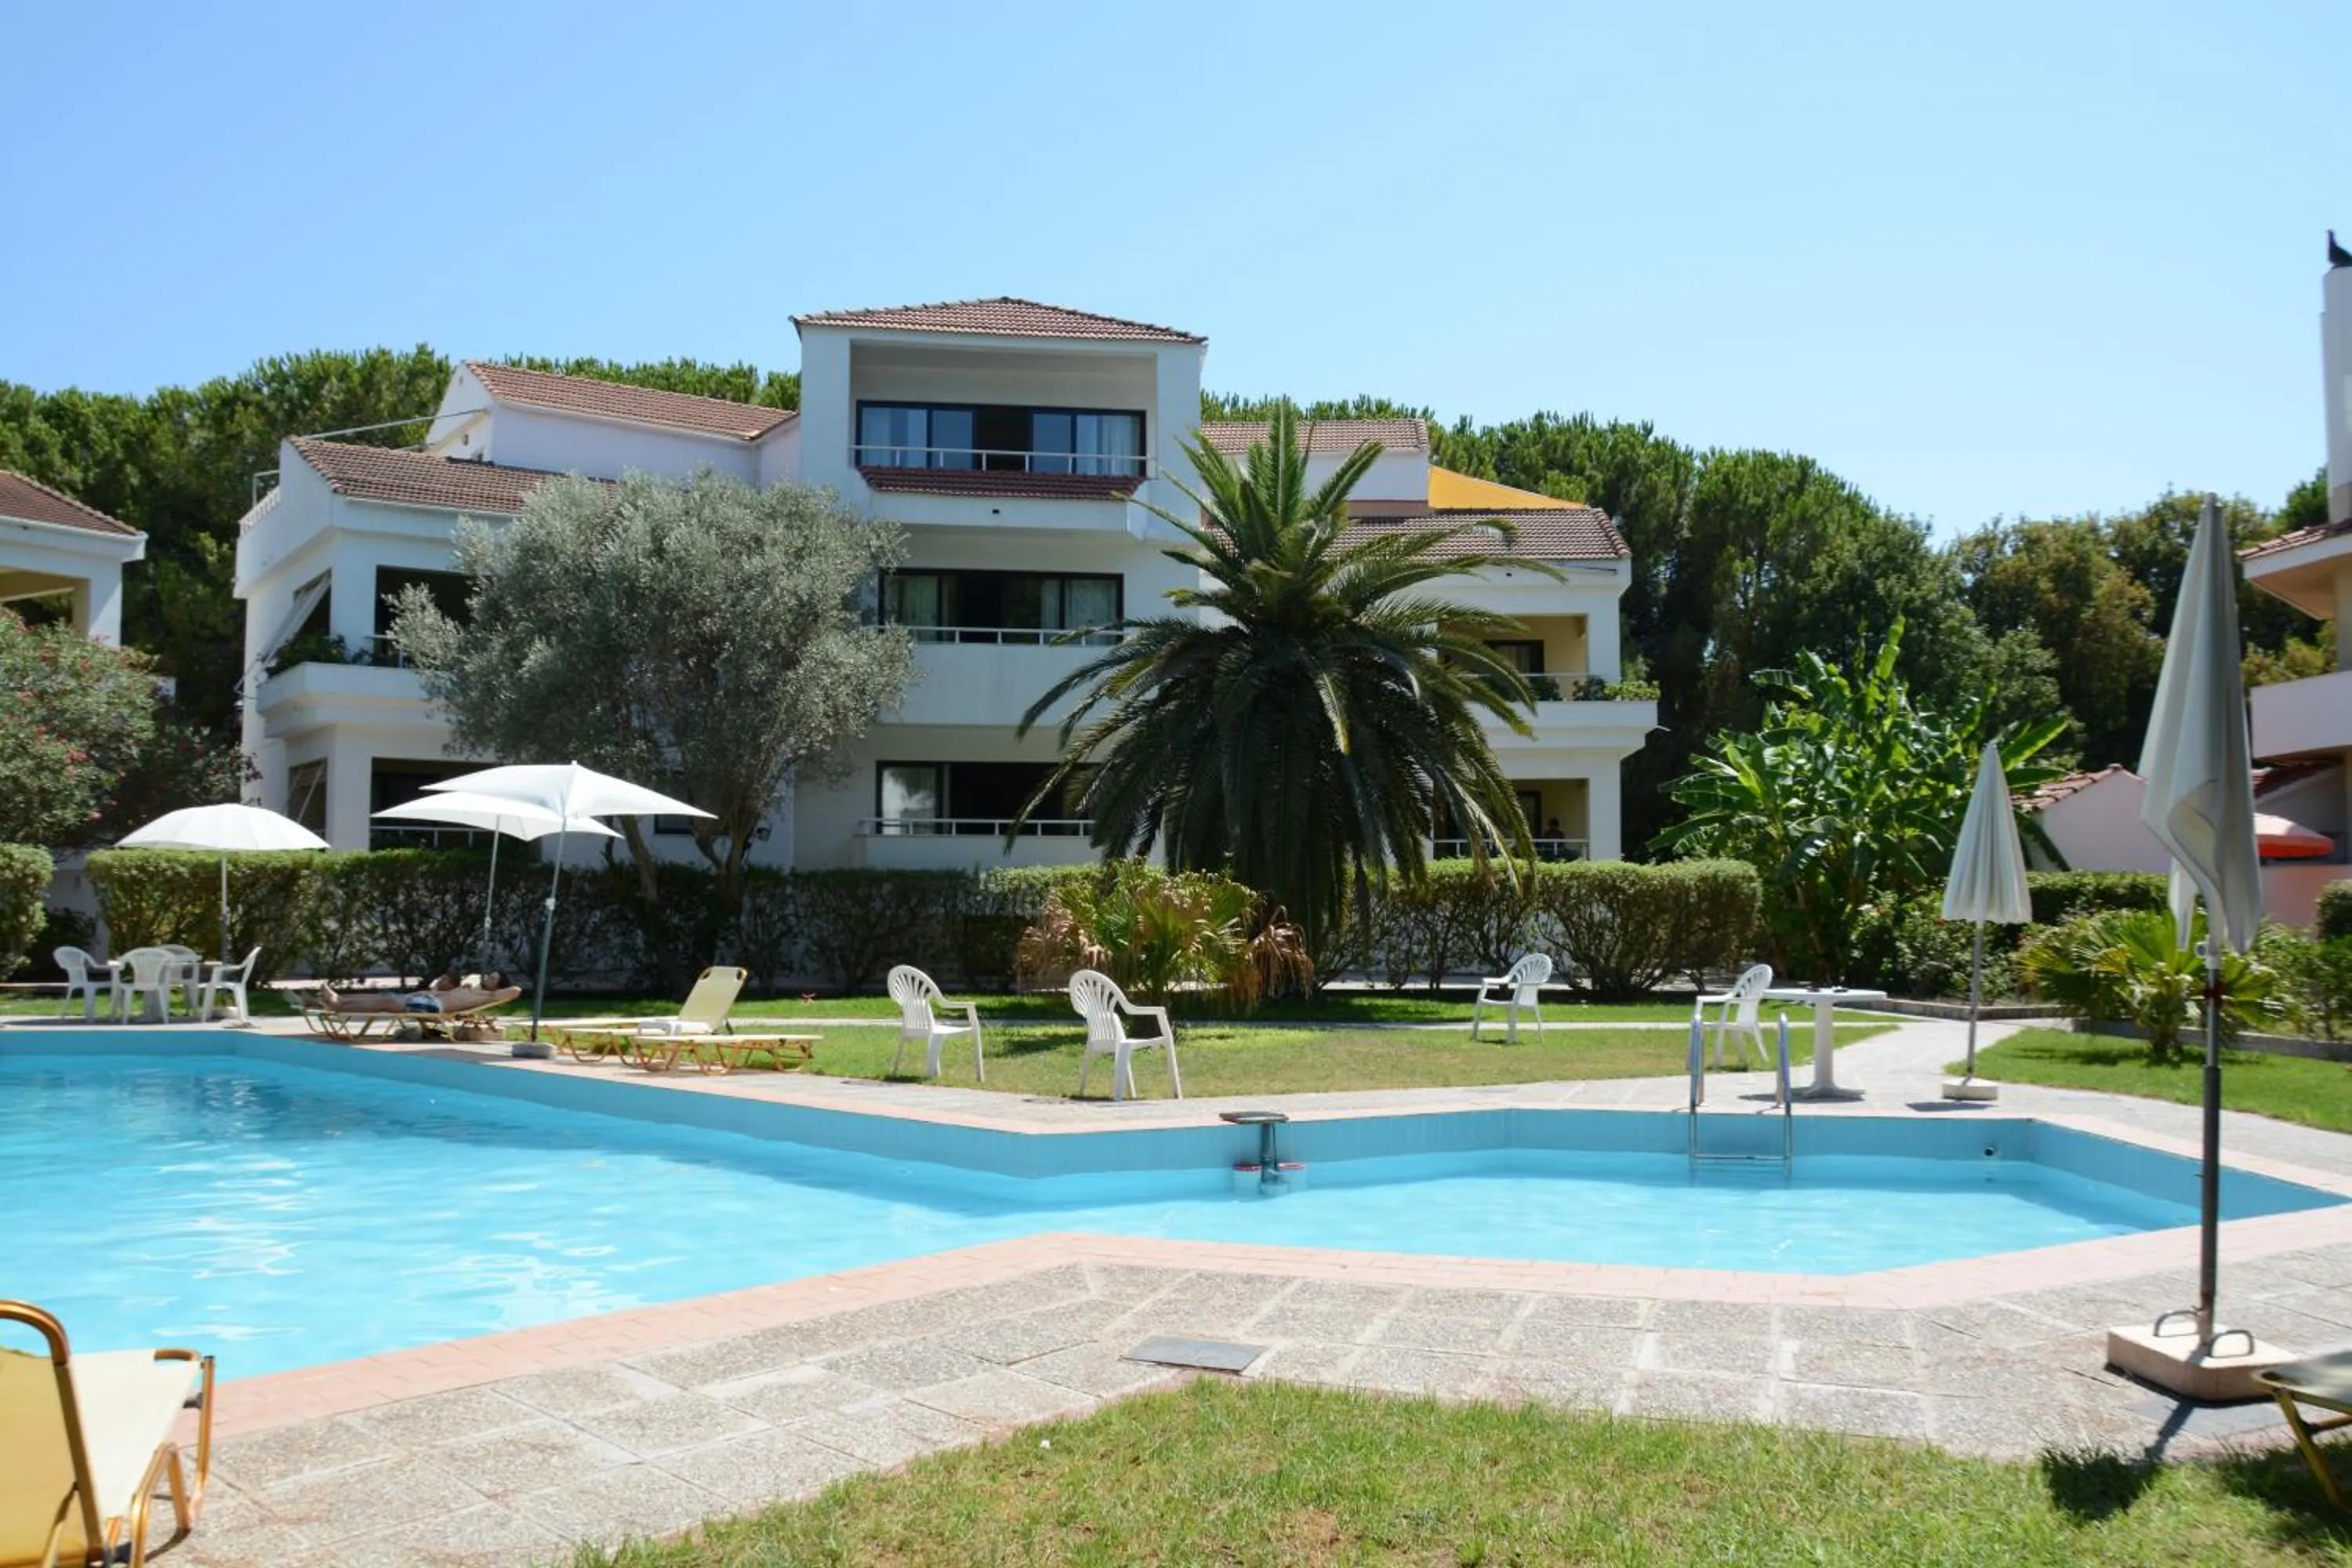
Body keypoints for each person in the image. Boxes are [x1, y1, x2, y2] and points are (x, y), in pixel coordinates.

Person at [318, 972, 521, 1014]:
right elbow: (473, 976)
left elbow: (515, 991)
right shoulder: (475, 986)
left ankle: (336, 1005)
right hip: (430, 999)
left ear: (499, 986)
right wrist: (471, 982)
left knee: (386, 1002)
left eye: (492, 979)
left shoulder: (489, 996)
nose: (487, 979)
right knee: (385, 996)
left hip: (434, 1007)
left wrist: (497, 990)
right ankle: (340, 1000)